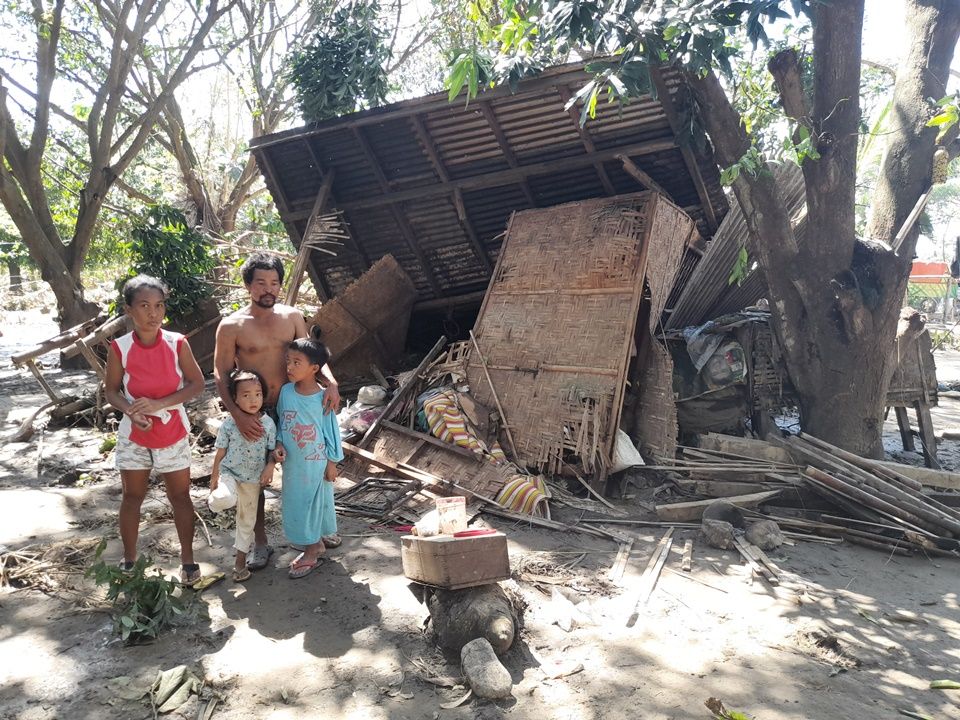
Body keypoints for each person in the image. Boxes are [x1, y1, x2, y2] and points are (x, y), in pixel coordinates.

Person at [213, 251, 341, 572]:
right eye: (260, 283)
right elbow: (221, 374)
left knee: (309, 469)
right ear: (247, 286)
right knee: (253, 477)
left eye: (274, 282)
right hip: (255, 410)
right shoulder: (231, 326)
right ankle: (259, 543)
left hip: (294, 404)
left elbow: (311, 357)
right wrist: (240, 416)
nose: (268, 289)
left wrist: (333, 384)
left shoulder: (293, 317)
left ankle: (318, 530)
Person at [104, 275, 205, 585]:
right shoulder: (119, 348)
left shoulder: (177, 344)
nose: (153, 314)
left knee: (180, 496)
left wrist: (159, 405)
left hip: (171, 432)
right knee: (132, 496)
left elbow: (197, 384)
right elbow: (111, 391)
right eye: (144, 306)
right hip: (134, 434)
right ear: (129, 309)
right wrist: (131, 411)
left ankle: (187, 561)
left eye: (159, 306)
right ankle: (129, 559)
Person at [276, 327, 344, 579]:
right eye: (288, 361)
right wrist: (280, 444)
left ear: (315, 368)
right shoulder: (285, 392)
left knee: (312, 504)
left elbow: (331, 432)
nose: (290, 367)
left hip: (316, 463)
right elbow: (283, 424)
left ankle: (313, 549)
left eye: (297, 362)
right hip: (293, 463)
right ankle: (312, 539)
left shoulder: (322, 398)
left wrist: (332, 462)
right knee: (295, 503)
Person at [209, 370, 277, 582]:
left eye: (257, 394)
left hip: (252, 480)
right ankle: (214, 503)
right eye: (246, 395)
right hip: (229, 473)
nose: (253, 399)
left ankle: (239, 566)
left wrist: (270, 467)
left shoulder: (268, 424)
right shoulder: (229, 424)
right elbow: (220, 452)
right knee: (224, 498)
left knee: (247, 523)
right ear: (235, 399)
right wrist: (213, 478)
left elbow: (271, 451)